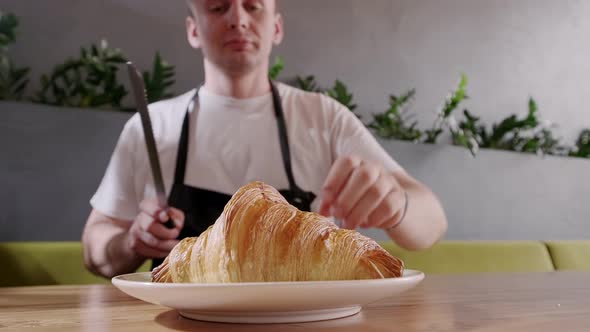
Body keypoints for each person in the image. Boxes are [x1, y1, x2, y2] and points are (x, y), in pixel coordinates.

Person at [82, 0, 447, 278]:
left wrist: (396, 204)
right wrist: (129, 242)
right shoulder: (152, 125)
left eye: (253, 6)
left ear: (276, 27)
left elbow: (431, 224)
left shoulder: (323, 117)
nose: (238, 18)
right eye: (219, 6)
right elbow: (94, 247)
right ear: (194, 30)